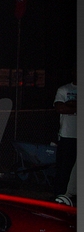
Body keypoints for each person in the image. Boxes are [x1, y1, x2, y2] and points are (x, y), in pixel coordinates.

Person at [53, 73, 76, 203]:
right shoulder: (64, 89)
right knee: (64, 169)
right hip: (67, 136)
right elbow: (60, 108)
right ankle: (60, 197)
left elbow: (66, 107)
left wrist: (72, 105)